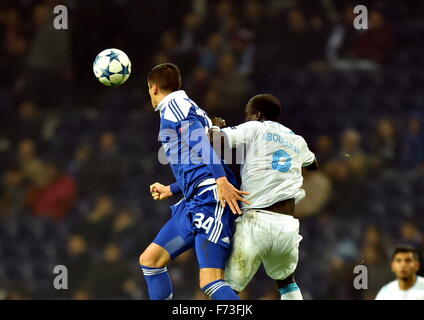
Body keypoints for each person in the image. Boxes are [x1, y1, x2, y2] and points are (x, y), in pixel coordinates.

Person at [139, 63, 249, 300]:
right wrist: (172, 188)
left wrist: (221, 181)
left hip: (210, 200)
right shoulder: (189, 109)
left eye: (149, 90)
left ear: (154, 88)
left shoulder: (175, 107)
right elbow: (197, 163)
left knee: (210, 282)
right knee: (151, 260)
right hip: (193, 201)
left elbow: (201, 143)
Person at [209, 94, 317, 300]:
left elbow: (214, 141)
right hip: (286, 226)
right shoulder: (297, 140)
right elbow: (313, 164)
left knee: (226, 290)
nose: (246, 120)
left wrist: (215, 127)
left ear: (257, 115)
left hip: (256, 222)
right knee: (286, 281)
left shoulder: (256, 127)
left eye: (247, 116)